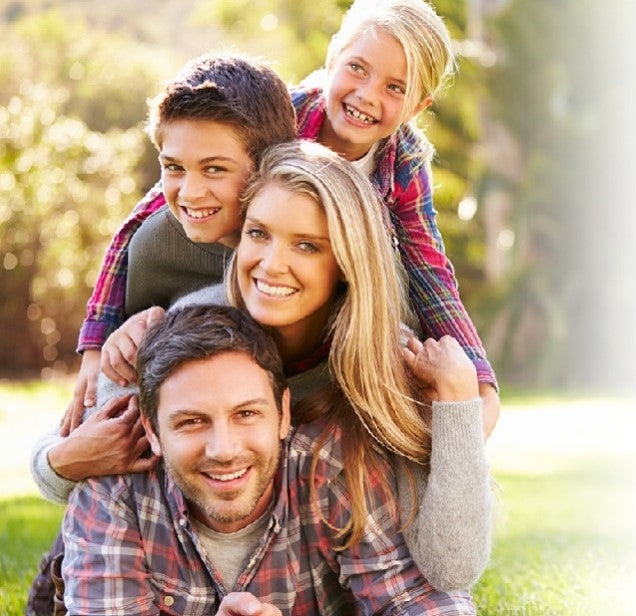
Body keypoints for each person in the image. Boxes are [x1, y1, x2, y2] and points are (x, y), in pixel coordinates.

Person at [31, 142, 493, 612]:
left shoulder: (384, 373)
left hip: (314, 547)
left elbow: (443, 573)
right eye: (258, 234)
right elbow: (98, 458)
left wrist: (458, 404)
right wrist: (61, 463)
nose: (271, 264)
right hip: (142, 551)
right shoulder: (180, 334)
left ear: (347, 264)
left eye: (308, 245)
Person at [68, 0, 500, 437]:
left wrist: (479, 378)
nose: (368, 94)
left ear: (418, 105)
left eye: (395, 88)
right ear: (332, 58)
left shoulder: (403, 162)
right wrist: (95, 342)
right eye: (357, 68)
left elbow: (430, 269)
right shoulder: (283, 118)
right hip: (243, 282)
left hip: (333, 307)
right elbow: (142, 217)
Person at [61, 303, 476, 615]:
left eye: (247, 414)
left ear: (284, 413)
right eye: (191, 422)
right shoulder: (111, 493)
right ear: (152, 430)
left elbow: (421, 602)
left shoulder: (332, 467)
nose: (223, 450)